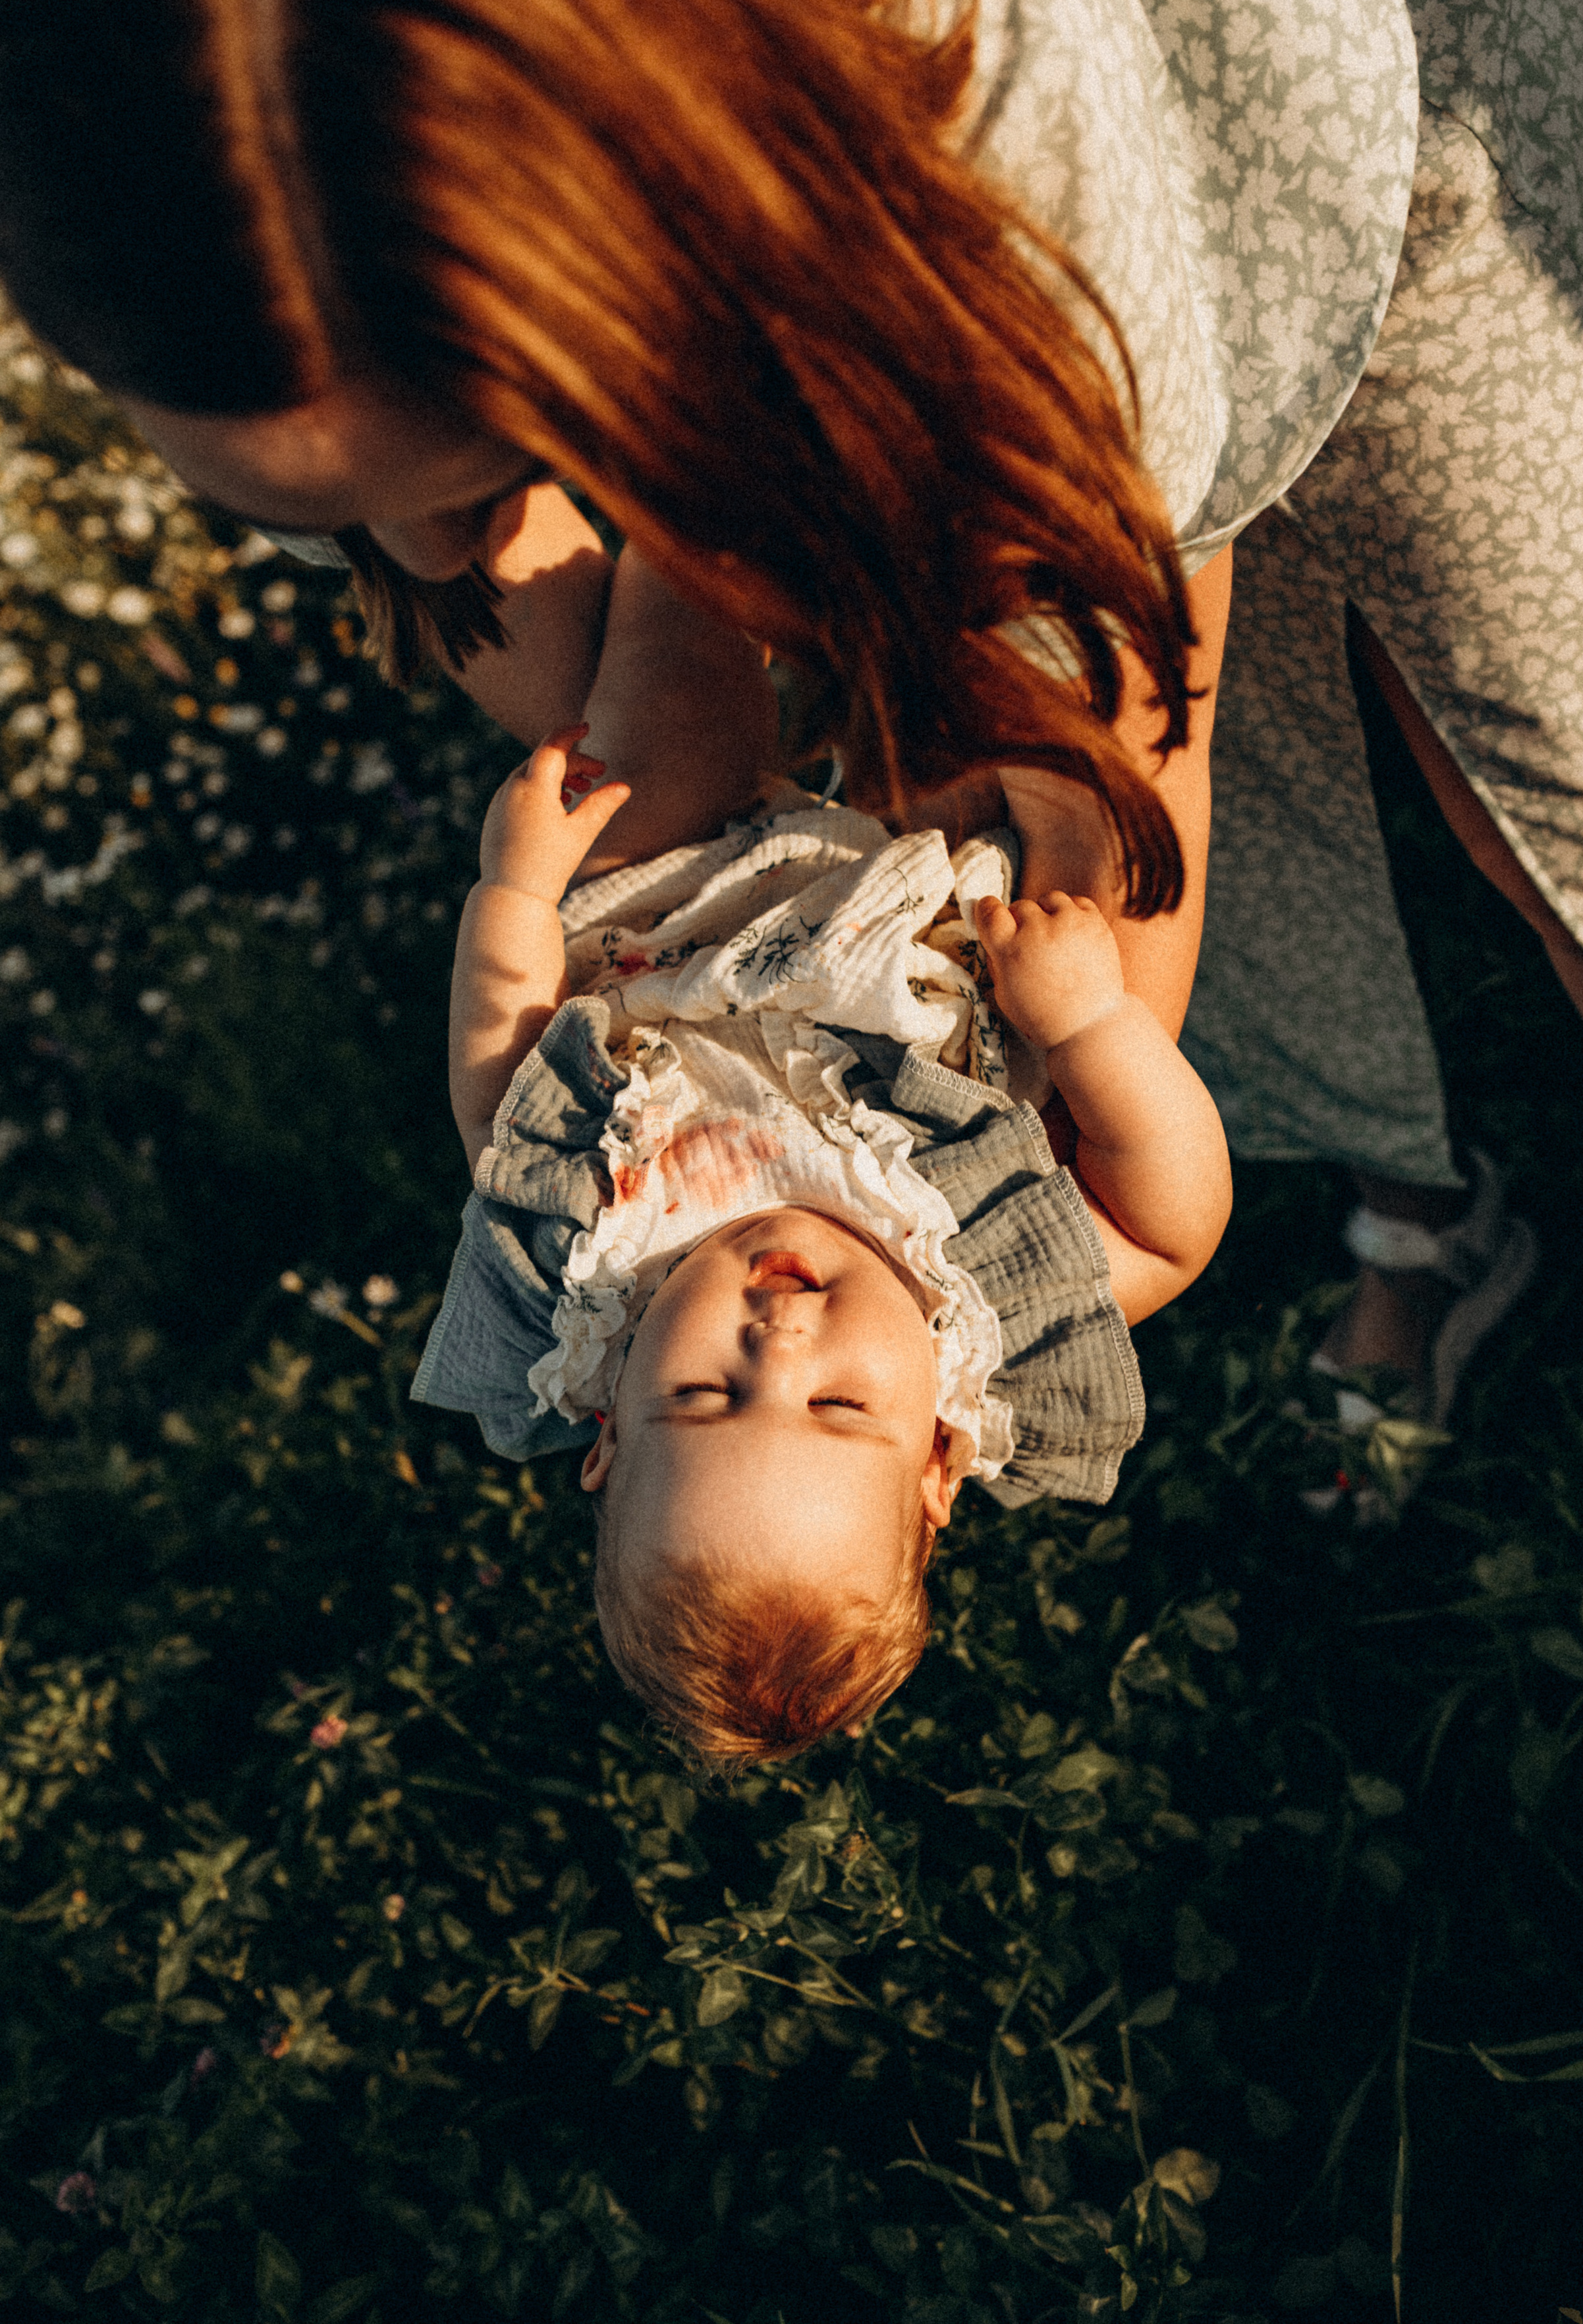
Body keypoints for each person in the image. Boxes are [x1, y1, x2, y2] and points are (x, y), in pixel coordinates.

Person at [0, 0, 1583, 1431]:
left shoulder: (964, 38)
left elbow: (1121, 691)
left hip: (1244, 1)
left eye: (511, 455)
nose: (429, 556)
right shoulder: (169, 6)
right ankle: (1410, 1189)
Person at [412, 601, 1229, 1760]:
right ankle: (1111, 645)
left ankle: (686, 544)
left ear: (604, 1430)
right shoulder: (985, 1320)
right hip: (973, 950)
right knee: (1125, 898)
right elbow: (1170, 1232)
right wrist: (1094, 1024)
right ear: (940, 1456)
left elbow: (494, 1082)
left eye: (702, 1396)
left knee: (652, 739)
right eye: (841, 1409)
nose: (779, 1345)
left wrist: (517, 895)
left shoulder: (582, 1261)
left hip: (691, 908)